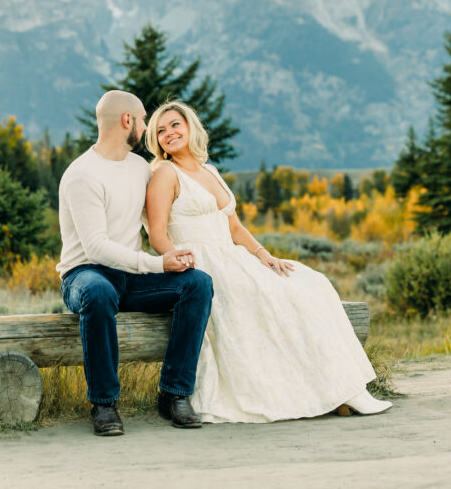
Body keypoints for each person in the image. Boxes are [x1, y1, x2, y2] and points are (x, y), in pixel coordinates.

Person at [144, 101, 392, 423]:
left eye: (175, 125)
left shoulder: (210, 171)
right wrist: (180, 264)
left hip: (232, 255)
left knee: (311, 284)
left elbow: (234, 227)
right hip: (199, 263)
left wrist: (264, 255)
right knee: (270, 297)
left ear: (190, 127)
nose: (168, 134)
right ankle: (319, 391)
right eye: (160, 131)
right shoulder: (165, 173)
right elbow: (157, 234)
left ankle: (342, 388)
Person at [58, 90, 214, 436]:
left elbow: (162, 213)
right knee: (98, 292)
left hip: (131, 278)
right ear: (126, 120)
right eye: (144, 120)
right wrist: (158, 264)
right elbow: (96, 249)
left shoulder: (140, 168)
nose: (146, 128)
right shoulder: (82, 174)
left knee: (198, 284)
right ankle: (104, 403)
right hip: (85, 275)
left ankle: (174, 394)